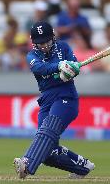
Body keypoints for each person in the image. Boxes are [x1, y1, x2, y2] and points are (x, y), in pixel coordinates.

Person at [13, 21, 95, 179]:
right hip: (46, 98)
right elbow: (39, 68)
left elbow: (74, 65)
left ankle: (27, 164)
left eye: (46, 41)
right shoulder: (32, 55)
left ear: (53, 37)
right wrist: (59, 66)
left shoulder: (63, 47)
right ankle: (82, 166)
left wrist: (70, 70)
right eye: (39, 43)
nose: (43, 46)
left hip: (66, 97)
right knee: (47, 150)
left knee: (47, 130)